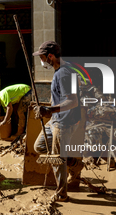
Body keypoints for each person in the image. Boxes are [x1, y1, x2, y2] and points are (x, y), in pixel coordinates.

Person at [32, 41, 84, 202]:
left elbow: (73, 101)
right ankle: (75, 164)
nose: (41, 61)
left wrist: (50, 110)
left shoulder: (64, 73)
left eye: (42, 57)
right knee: (39, 146)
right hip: (56, 119)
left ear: (51, 56)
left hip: (64, 122)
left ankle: (61, 193)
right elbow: (59, 96)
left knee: (57, 158)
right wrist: (45, 107)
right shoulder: (61, 70)